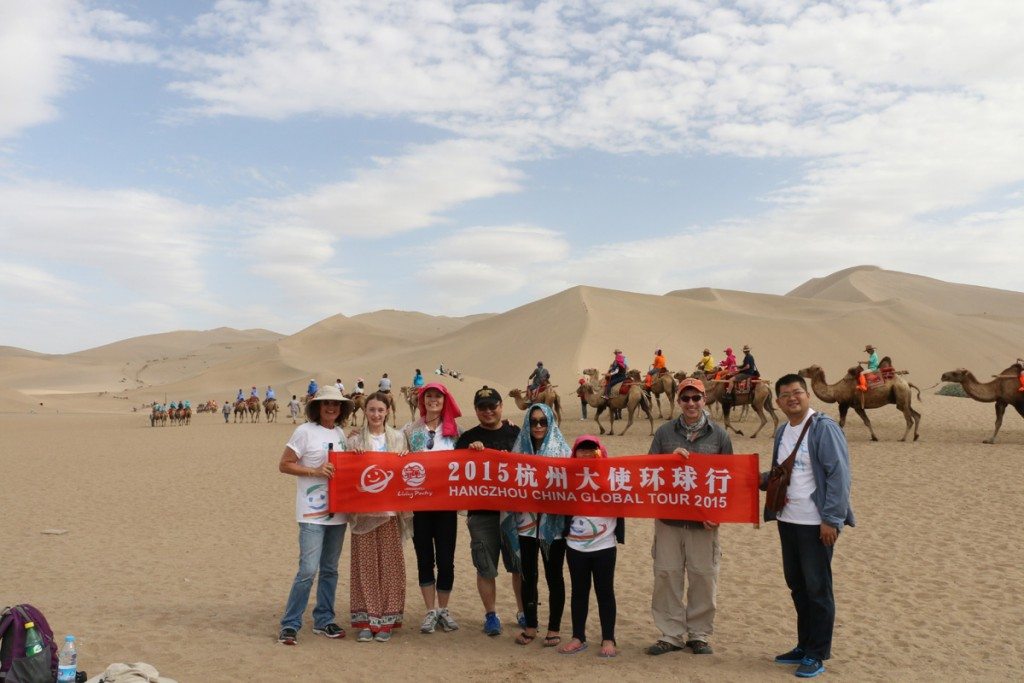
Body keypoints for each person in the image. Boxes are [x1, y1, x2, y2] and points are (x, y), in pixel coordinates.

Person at [763, 374, 854, 678]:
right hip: (788, 521)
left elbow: (839, 476)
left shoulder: (823, 429)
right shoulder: (782, 431)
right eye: (786, 394)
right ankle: (804, 645)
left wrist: (832, 519)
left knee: (818, 589)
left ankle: (817, 653)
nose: (793, 398)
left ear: (807, 395)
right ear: (777, 402)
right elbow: (782, 472)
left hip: (816, 523)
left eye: (798, 392)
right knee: (798, 586)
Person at [646, 378, 733, 656]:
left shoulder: (720, 436)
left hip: (704, 523)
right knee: (667, 575)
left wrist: (718, 515)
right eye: (686, 398)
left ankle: (699, 634)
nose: (691, 403)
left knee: (703, 577)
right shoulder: (664, 434)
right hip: (669, 520)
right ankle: (670, 633)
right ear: (679, 401)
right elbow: (648, 471)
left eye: (696, 398)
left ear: (704, 399)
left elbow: (729, 480)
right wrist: (667, 461)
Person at [277, 385, 355, 645]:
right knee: (308, 570)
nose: (331, 408)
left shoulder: (343, 434)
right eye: (326, 404)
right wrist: (315, 472)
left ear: (341, 409)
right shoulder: (304, 432)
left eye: (335, 404)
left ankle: (324, 619)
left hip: (338, 514)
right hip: (311, 513)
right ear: (317, 407)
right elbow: (285, 464)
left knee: (330, 569)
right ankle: (290, 624)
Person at [456, 386, 524, 637]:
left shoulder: (516, 433)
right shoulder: (467, 439)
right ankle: (491, 615)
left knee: (519, 566)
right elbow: (454, 474)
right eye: (482, 407)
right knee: (485, 566)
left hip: (513, 513)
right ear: (476, 410)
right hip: (481, 514)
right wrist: (468, 455)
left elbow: (533, 460)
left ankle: (522, 610)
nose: (488, 411)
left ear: (501, 407)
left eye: (492, 406)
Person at [504, 402, 570, 648]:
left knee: (554, 576)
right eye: (533, 422)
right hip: (526, 522)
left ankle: (553, 628)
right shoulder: (519, 449)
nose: (538, 426)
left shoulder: (562, 450)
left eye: (543, 421)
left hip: (554, 524)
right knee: (528, 575)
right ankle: (530, 625)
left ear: (551, 422)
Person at [347, 392, 412, 643]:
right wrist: (353, 456)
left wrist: (404, 460)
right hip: (363, 516)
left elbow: (406, 472)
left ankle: (387, 620)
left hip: (390, 513)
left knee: (391, 567)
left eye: (380, 410)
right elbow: (347, 474)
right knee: (364, 567)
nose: (375, 415)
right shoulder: (354, 441)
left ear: (387, 412)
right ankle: (367, 619)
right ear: (365, 412)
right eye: (371, 410)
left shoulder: (398, 438)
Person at [403, 382, 462, 635]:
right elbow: (395, 452)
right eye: (429, 396)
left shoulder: (456, 431)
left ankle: (443, 610)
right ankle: (430, 611)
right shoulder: (410, 430)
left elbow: (474, 455)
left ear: (445, 400)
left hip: (447, 506)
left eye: (438, 396)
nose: (433, 400)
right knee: (424, 558)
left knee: (446, 560)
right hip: (420, 505)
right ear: (422, 400)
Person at [557, 435, 624, 657]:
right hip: (575, 546)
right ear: (574, 453)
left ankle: (608, 638)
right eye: (581, 450)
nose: (586, 454)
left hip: (604, 545)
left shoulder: (612, 475)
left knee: (605, 592)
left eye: (591, 450)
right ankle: (578, 637)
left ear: (599, 451)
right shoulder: (566, 477)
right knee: (579, 592)